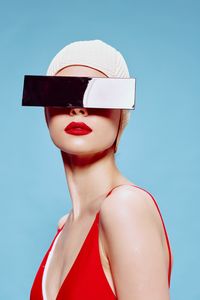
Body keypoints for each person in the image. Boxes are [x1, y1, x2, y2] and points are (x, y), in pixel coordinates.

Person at [30, 39, 173, 300]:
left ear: (121, 114)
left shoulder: (125, 207)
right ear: (46, 111)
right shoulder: (65, 227)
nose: (78, 108)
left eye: (99, 94)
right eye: (62, 95)